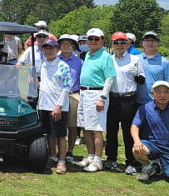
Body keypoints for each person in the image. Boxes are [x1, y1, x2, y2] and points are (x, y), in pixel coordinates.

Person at [75, 28, 116, 172]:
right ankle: (90, 156)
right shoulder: (87, 55)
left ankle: (98, 161)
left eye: (96, 39)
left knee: (97, 129)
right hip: (84, 93)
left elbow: (110, 78)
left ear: (102, 40)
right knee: (86, 127)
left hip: (97, 94)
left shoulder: (105, 56)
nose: (93, 41)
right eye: (90, 39)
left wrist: (102, 98)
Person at [105, 32, 145, 173]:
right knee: (111, 130)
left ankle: (131, 161)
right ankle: (111, 159)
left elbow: (142, 81)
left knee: (128, 132)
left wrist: (135, 74)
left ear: (128, 44)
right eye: (117, 42)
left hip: (128, 99)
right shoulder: (109, 59)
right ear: (112, 44)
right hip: (113, 98)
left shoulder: (135, 59)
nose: (120, 45)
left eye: (123, 42)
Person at [37, 39, 72, 174]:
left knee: (60, 135)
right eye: (46, 48)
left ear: (57, 50)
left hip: (58, 106)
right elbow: (42, 81)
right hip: (44, 105)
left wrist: (58, 106)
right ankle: (52, 156)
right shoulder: (43, 64)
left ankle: (62, 161)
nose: (48, 51)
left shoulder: (63, 66)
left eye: (51, 48)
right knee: (49, 134)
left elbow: (66, 87)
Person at [57, 34, 83, 163]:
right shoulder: (55, 60)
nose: (66, 46)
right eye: (63, 44)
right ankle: (57, 151)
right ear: (59, 46)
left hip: (73, 94)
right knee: (58, 125)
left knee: (72, 126)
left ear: (73, 47)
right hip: (58, 95)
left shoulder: (79, 62)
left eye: (69, 44)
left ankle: (70, 151)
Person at [135, 31, 169, 106]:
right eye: (147, 40)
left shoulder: (165, 62)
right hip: (135, 102)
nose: (150, 43)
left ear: (158, 43)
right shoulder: (135, 59)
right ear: (142, 42)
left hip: (155, 103)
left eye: (153, 40)